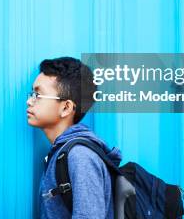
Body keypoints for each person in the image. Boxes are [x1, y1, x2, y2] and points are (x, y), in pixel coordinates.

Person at [27, 56, 122, 219]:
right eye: (31, 94)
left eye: (38, 95)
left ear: (66, 107)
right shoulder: (61, 153)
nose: (29, 101)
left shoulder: (80, 156)